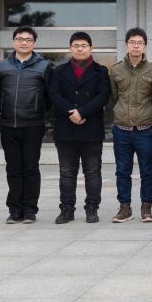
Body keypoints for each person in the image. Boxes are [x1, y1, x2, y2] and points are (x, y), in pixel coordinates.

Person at [49, 32, 111, 224]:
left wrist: (82, 112)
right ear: (70, 48)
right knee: (67, 172)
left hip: (91, 128)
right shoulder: (59, 71)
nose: (80, 49)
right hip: (65, 129)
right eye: (76, 45)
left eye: (84, 45)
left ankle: (92, 208)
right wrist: (72, 112)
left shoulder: (101, 71)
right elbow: (54, 95)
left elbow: (103, 96)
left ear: (91, 48)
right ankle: (67, 209)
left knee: (92, 172)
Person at [0, 26, 53, 224]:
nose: (24, 42)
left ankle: (29, 210)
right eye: (20, 39)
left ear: (34, 44)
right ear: (14, 42)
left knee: (30, 168)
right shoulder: (3, 66)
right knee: (13, 168)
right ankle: (14, 210)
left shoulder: (44, 66)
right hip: (8, 125)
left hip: (33, 126)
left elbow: (49, 97)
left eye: (28, 40)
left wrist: (38, 112)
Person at [108, 27, 152, 224]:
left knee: (147, 170)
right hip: (121, 130)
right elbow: (113, 98)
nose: (136, 46)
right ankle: (125, 207)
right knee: (122, 170)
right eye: (132, 42)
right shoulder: (116, 70)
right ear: (126, 45)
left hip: (145, 130)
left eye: (140, 43)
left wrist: (147, 114)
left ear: (145, 46)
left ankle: (146, 207)